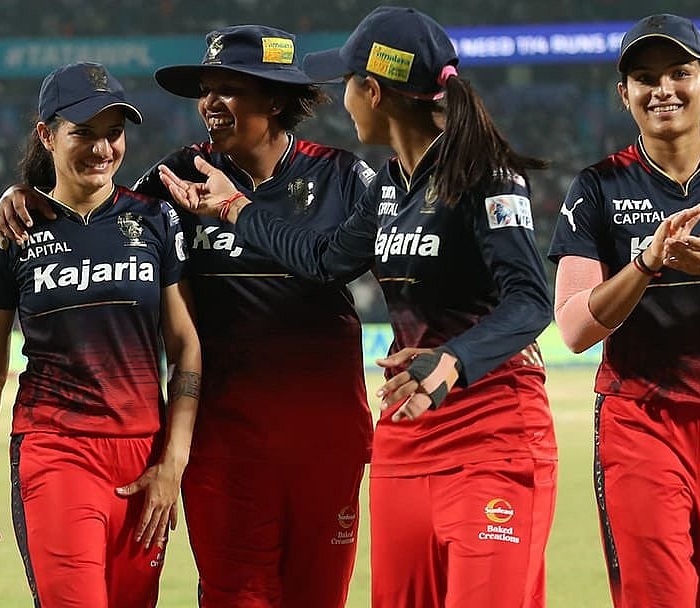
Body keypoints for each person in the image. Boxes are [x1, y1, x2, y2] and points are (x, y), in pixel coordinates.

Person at [159, 7, 558, 607]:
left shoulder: (485, 176)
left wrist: (453, 361)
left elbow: (531, 299)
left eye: (347, 84)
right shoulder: (390, 187)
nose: (341, 99)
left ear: (372, 91)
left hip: (490, 419)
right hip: (409, 425)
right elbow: (323, 259)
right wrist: (237, 210)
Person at [0, 25, 375, 607]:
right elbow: (93, 209)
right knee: (232, 596)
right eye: (206, 89)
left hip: (325, 433)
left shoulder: (345, 177)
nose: (210, 105)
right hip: (224, 439)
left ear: (274, 99)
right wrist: (26, 193)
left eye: (229, 89)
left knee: (318, 595)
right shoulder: (178, 177)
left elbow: (400, 263)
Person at [548, 14, 700, 608]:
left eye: (679, 73)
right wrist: (645, 265)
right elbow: (574, 328)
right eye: (645, 77)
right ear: (623, 94)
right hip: (642, 421)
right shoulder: (597, 187)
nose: (663, 90)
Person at [0, 61, 201, 608]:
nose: (102, 148)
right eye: (82, 133)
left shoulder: (156, 221)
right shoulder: (13, 232)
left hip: (145, 457)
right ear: (47, 135)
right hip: (57, 449)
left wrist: (173, 462)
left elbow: (185, 347)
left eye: (113, 133)